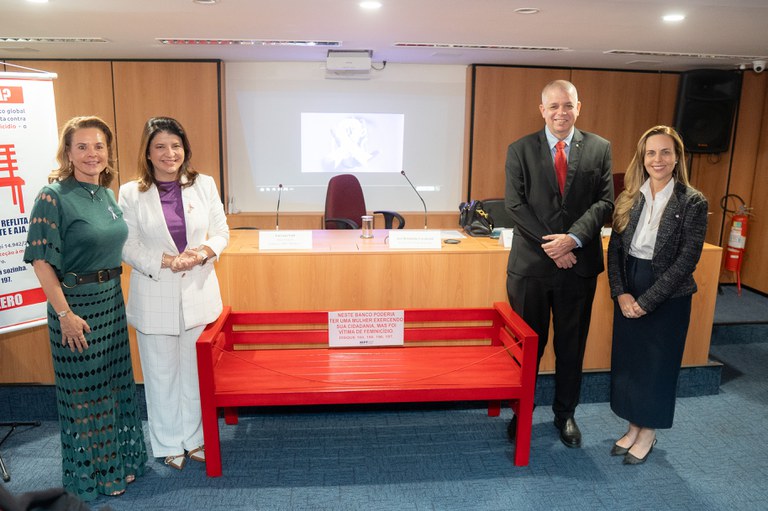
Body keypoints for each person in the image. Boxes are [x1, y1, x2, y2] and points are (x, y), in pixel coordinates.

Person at [23, 116, 147, 500]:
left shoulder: (107, 195)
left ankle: (115, 463)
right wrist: (65, 315)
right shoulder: (53, 195)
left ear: (107, 152)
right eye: (82, 146)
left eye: (98, 146)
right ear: (68, 152)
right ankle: (92, 475)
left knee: (112, 388)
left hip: (110, 301)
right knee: (84, 394)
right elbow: (42, 261)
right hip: (75, 307)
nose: (91, 154)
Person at [504, 80, 613, 448]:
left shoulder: (600, 148)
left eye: (567, 106)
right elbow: (515, 206)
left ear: (578, 107)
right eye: (553, 106)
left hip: (578, 266)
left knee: (572, 345)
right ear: (542, 110)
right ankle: (521, 412)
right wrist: (555, 245)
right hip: (531, 268)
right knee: (527, 347)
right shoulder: (519, 149)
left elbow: (604, 202)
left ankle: (565, 415)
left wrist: (573, 239)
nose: (561, 113)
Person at [118, 117, 229, 471]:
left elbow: (222, 232)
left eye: (176, 145)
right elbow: (127, 244)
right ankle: (168, 442)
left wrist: (202, 252)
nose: (170, 153)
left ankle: (195, 439)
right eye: (161, 147)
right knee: (160, 372)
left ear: (185, 149)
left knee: (195, 373)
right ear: (148, 153)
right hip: (155, 293)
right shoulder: (130, 192)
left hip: (198, 291)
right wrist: (163, 260)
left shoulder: (204, 184)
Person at [607, 125, 708, 464]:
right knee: (630, 363)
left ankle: (647, 433)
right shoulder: (630, 196)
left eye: (665, 152)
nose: (658, 159)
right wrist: (621, 293)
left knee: (656, 365)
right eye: (651, 153)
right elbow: (615, 250)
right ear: (642, 157)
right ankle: (634, 426)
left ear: (677, 157)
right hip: (630, 281)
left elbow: (687, 260)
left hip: (668, 293)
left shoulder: (692, 202)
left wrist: (647, 301)